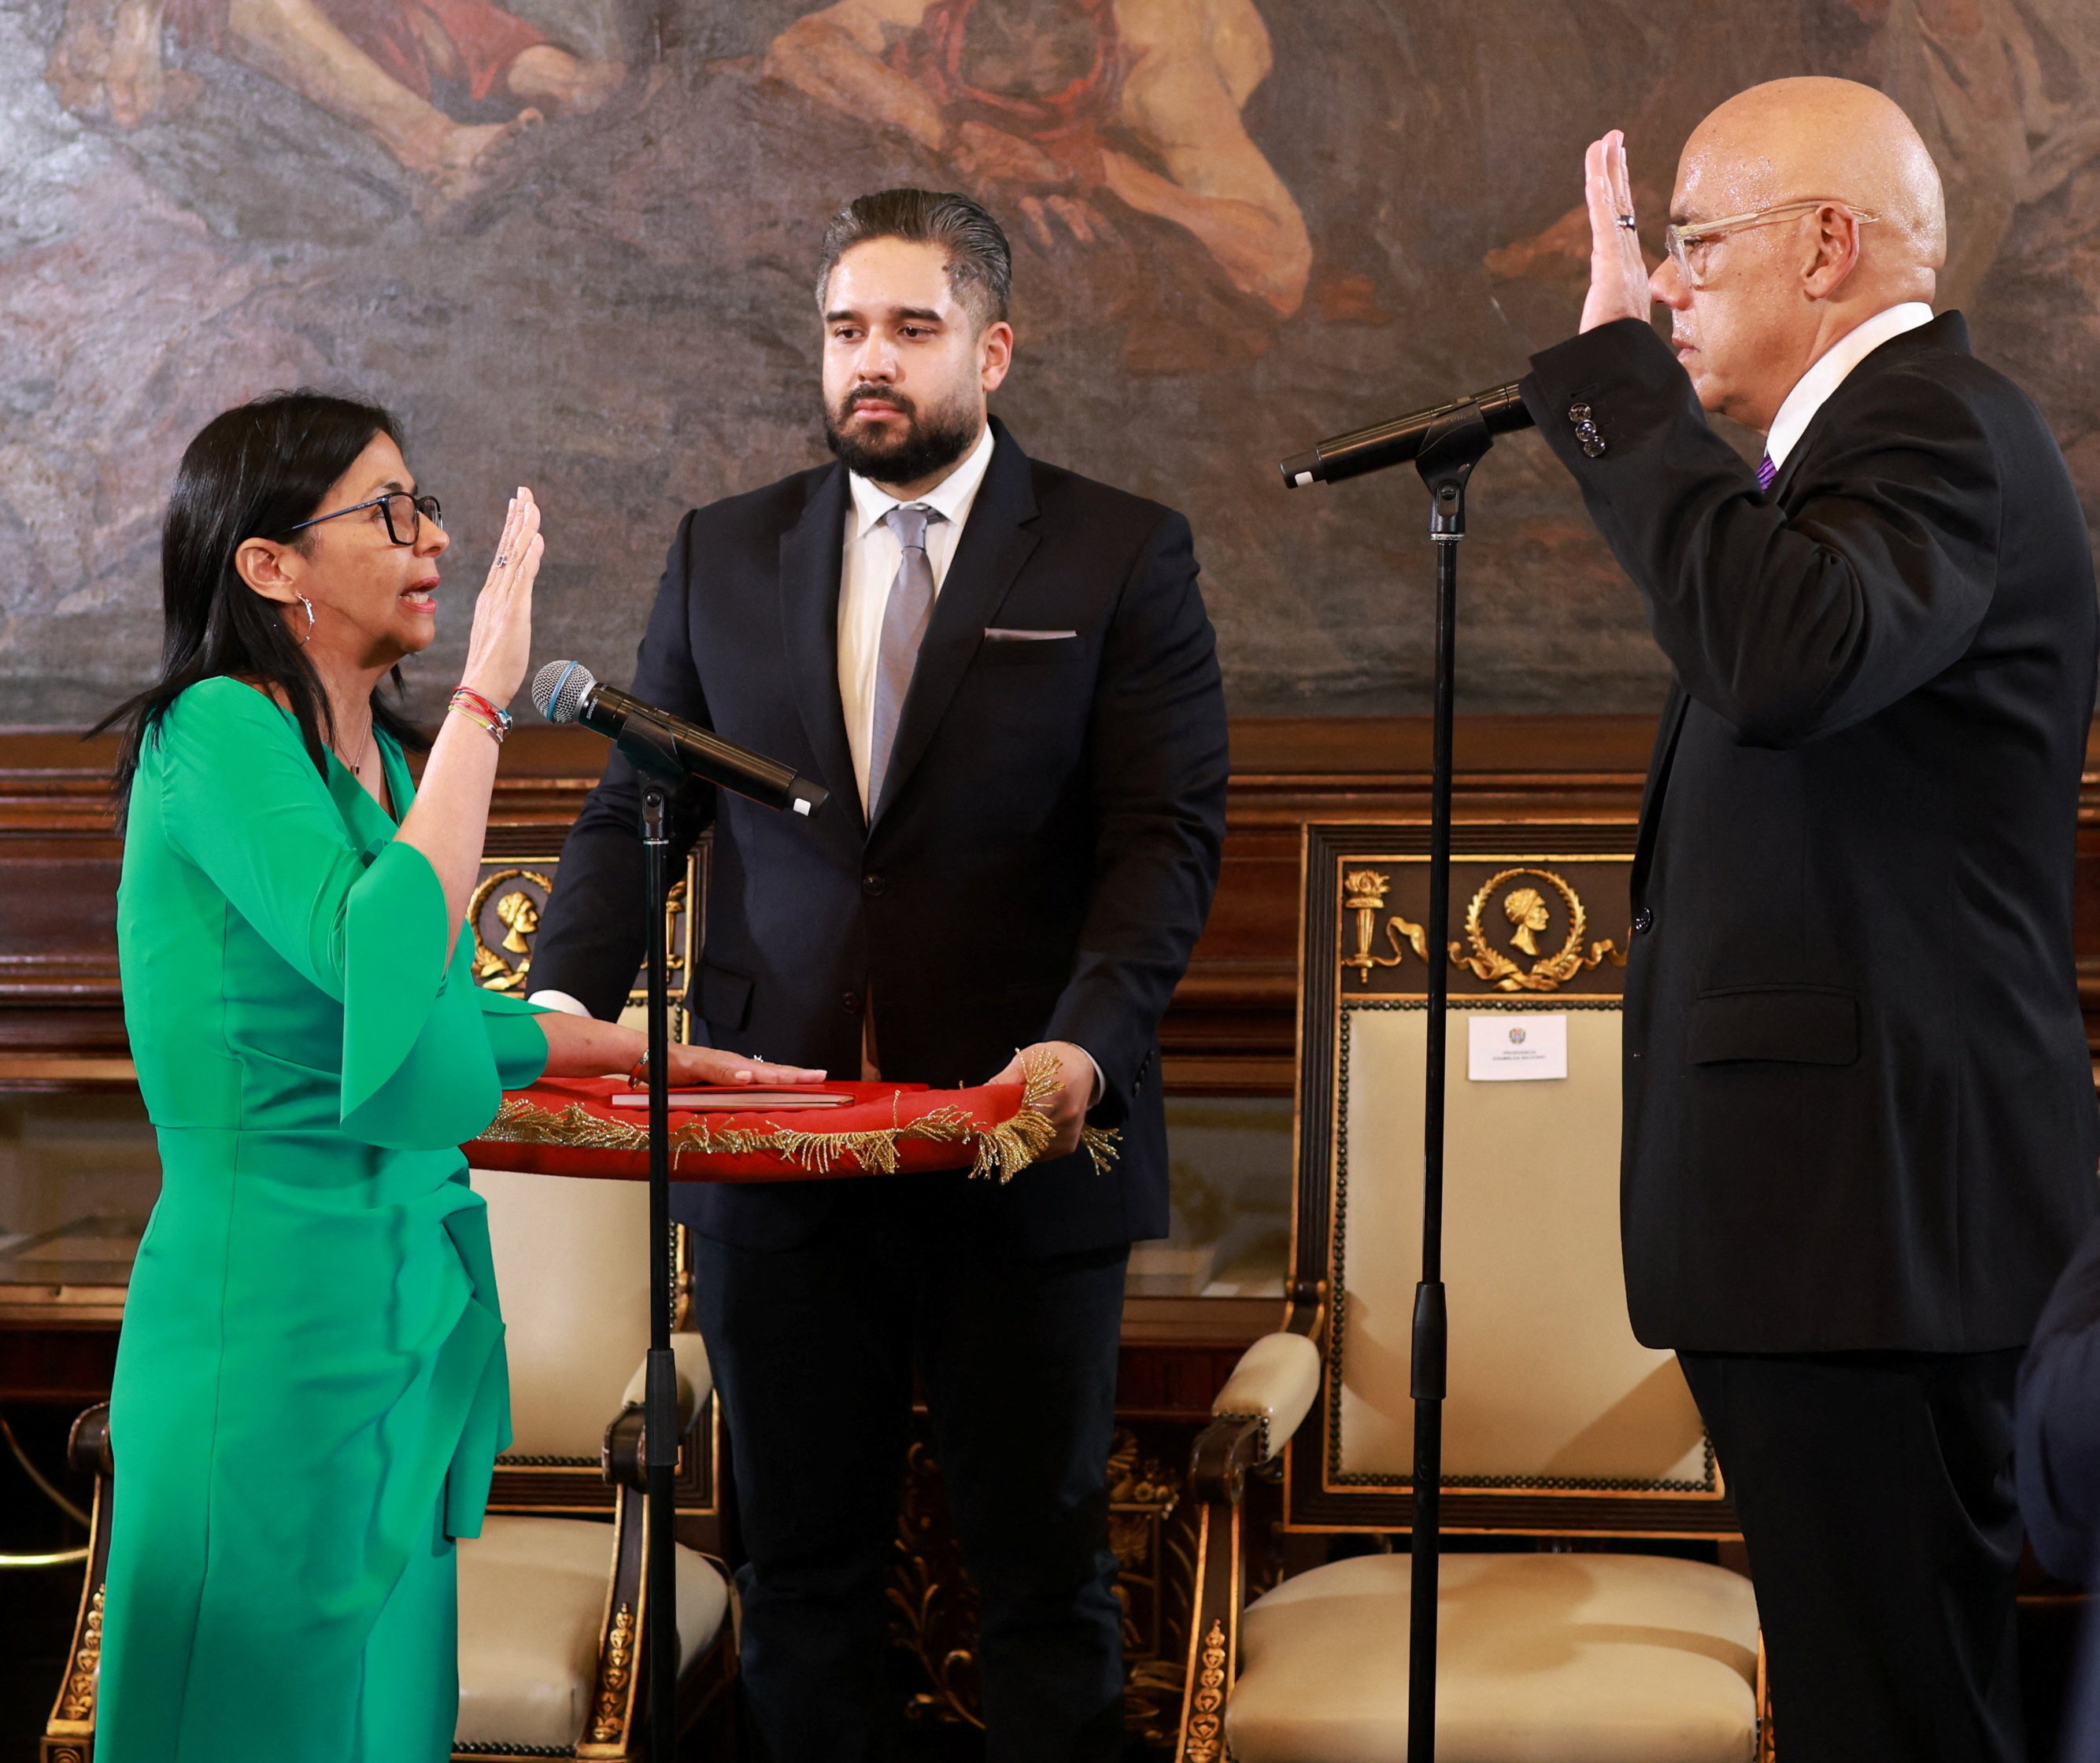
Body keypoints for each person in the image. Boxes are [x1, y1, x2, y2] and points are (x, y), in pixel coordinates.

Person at [526, 188, 1229, 1759]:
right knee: (799, 1569)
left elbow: (1161, 835)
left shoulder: (1118, 550)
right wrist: (568, 1009)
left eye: (910, 331)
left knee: (1045, 1575)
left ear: (990, 347)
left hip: (1021, 1140)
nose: (871, 364)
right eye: (846, 330)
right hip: (780, 1150)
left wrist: (1083, 1050)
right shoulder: (728, 547)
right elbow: (642, 800)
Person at [94, 390, 819, 1761]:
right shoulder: (214, 732)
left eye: (426, 505)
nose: (431, 539)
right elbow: (374, 950)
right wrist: (489, 693)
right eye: (387, 512)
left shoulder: (365, 768)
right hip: (270, 1324)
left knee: (385, 1721)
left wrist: (625, 1048)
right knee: (258, 1722)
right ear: (269, 566)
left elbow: (409, 1021)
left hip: (394, 1322)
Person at [1519, 77, 2098, 1762]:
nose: (1665, 286)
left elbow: (1778, 656)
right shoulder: (1852, 455)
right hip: (1840, 1223)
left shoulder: (1931, 424)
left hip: (1873, 1220)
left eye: (1693, 243)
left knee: (1894, 1715)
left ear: (1827, 248)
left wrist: (1619, 392)